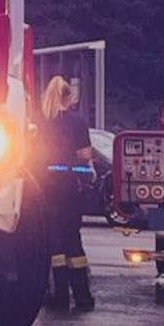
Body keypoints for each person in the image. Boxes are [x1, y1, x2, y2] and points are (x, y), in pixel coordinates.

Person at [40, 76, 95, 312]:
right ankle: (82, 297)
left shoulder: (41, 122)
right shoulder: (77, 121)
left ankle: (59, 296)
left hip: (46, 186)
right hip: (70, 186)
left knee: (54, 242)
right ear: (67, 96)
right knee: (73, 238)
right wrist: (88, 173)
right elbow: (84, 155)